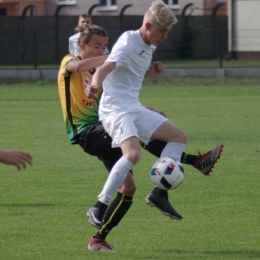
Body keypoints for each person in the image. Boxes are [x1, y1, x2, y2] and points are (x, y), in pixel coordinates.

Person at [58, 24, 223, 252]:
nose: (101, 50)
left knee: (128, 188)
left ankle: (98, 239)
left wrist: (143, 101)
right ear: (81, 45)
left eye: (105, 46)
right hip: (87, 131)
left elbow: (117, 101)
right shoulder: (69, 61)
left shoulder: (101, 71)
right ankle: (194, 162)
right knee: (134, 141)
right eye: (97, 46)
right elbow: (78, 66)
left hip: (108, 124)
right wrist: (111, 56)